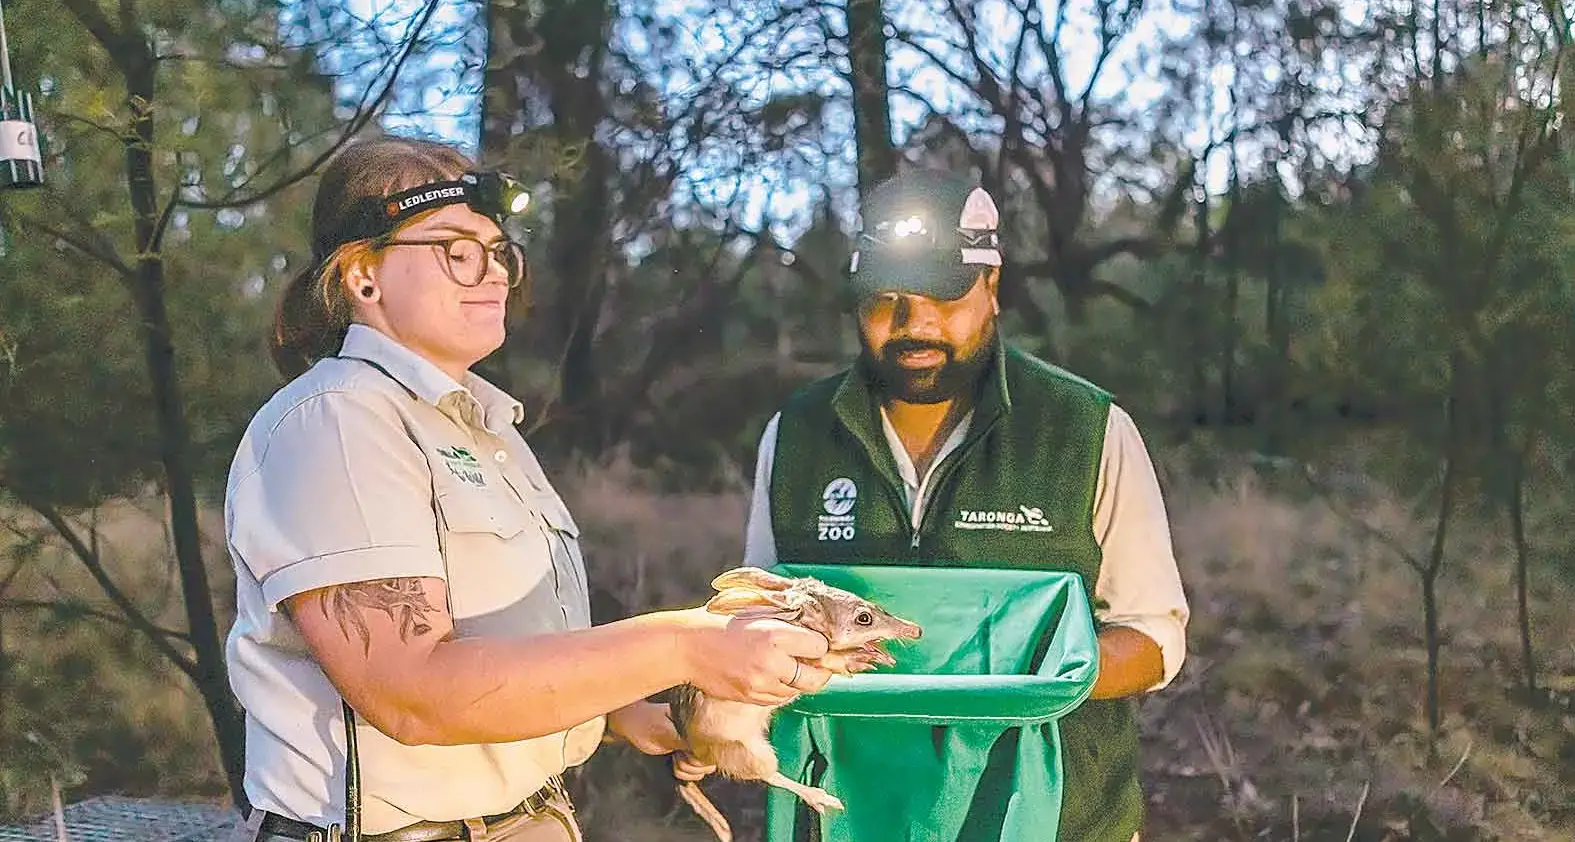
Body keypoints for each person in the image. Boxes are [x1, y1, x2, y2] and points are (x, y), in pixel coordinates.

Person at [221, 135, 834, 842]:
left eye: (498, 250)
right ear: (363, 275)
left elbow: (502, 644)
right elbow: (411, 694)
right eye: (455, 249)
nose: (492, 274)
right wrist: (684, 645)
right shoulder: (335, 421)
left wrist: (612, 711)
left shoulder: (483, 423)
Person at [728, 170, 1190, 842]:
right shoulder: (797, 433)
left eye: (943, 297)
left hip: (1054, 818)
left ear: (992, 287)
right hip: (851, 817)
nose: (915, 324)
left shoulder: (1084, 428)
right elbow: (757, 613)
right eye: (885, 299)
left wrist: (1016, 682)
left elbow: (1154, 639)